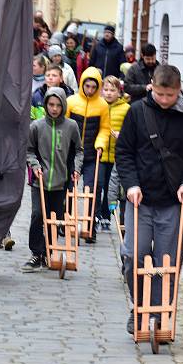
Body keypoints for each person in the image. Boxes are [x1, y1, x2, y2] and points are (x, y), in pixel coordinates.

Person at [116, 64, 183, 334]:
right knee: (135, 255)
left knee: (166, 264)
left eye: (169, 95)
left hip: (174, 202)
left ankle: (158, 315)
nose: (164, 100)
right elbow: (124, 152)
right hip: (140, 200)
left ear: (178, 90)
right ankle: (140, 306)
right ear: (152, 87)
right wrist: (131, 184)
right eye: (159, 94)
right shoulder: (137, 112)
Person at [23, 87, 83, 272]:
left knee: (54, 218)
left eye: (58, 105)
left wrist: (77, 170)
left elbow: (78, 152)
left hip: (60, 181)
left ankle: (50, 251)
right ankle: (36, 253)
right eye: (51, 104)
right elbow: (28, 150)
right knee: (37, 215)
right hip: (39, 180)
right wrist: (34, 165)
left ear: (63, 105)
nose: (54, 109)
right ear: (46, 104)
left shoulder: (71, 126)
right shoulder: (36, 126)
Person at [66, 67, 111, 243]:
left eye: (94, 87)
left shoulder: (102, 105)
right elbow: (65, 125)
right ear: (82, 84)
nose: (90, 90)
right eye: (88, 86)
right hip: (72, 154)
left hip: (93, 155)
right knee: (69, 189)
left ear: (98, 86)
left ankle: (90, 227)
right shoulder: (71, 101)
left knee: (93, 189)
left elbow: (105, 129)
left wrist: (100, 144)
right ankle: (67, 224)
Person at [96, 76, 129, 231]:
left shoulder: (126, 109)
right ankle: (95, 215)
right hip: (101, 153)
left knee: (111, 187)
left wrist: (122, 134)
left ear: (119, 92)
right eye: (106, 90)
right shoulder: (99, 105)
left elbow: (131, 130)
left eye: (112, 90)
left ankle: (106, 216)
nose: (109, 93)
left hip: (117, 155)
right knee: (99, 184)